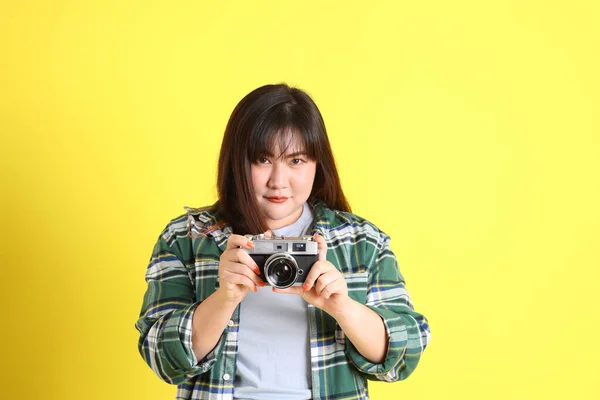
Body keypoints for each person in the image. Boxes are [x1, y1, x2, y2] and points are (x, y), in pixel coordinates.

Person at [135, 84, 430, 400]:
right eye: (262, 159)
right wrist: (224, 299)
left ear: (318, 164)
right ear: (237, 161)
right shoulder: (187, 238)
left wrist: (342, 308)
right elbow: (162, 358)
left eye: (297, 161)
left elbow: (405, 352)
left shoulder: (362, 242)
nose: (278, 180)